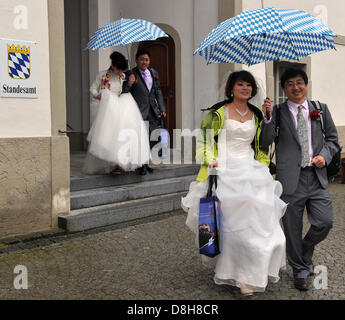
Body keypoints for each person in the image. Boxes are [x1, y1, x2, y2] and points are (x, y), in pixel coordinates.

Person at [181, 70, 287, 296]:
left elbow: (265, 142)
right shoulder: (217, 112)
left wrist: (268, 117)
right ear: (231, 88)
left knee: (255, 222)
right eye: (240, 84)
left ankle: (250, 273)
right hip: (224, 168)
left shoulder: (258, 113)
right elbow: (204, 139)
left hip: (251, 168)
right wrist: (211, 162)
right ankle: (232, 269)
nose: (245, 88)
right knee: (229, 226)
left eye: (249, 85)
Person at [261, 68, 340, 291]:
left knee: (325, 222)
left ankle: (305, 249)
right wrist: (267, 118)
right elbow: (266, 142)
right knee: (292, 228)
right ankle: (300, 269)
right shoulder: (276, 112)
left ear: (306, 84)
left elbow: (333, 140)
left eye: (299, 83)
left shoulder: (320, 109)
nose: (295, 87)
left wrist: (324, 156)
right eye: (290, 84)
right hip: (290, 178)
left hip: (316, 177)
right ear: (284, 88)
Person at [83, 51, 151, 175]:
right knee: (107, 136)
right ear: (113, 66)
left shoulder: (122, 77)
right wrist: (98, 96)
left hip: (119, 106)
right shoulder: (103, 75)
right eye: (119, 70)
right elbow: (92, 88)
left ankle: (119, 163)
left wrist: (130, 82)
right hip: (106, 109)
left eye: (122, 70)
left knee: (120, 135)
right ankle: (111, 164)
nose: (121, 73)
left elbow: (124, 89)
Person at [125, 49, 166, 175]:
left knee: (151, 138)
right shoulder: (131, 73)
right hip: (138, 111)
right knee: (140, 139)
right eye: (142, 59)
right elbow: (125, 91)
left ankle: (146, 163)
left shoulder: (153, 73)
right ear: (137, 60)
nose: (144, 62)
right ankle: (141, 165)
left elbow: (157, 91)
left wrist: (162, 108)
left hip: (152, 111)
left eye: (147, 59)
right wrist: (130, 83)